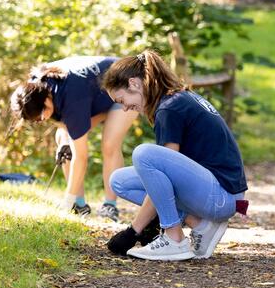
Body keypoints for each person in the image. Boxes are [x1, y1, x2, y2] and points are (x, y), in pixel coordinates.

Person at [102, 51, 248, 261]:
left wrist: (133, 231)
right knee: (119, 181)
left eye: (122, 100)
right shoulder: (175, 99)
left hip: (222, 196)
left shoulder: (169, 109)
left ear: (134, 83)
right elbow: (161, 180)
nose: (124, 108)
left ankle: (174, 238)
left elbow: (163, 175)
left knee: (144, 154)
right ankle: (201, 225)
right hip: (217, 192)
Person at [10, 56, 138, 220]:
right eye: (36, 120)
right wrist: (65, 141)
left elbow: (81, 157)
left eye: (41, 115)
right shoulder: (32, 91)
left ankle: (109, 205)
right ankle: (79, 204)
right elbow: (63, 125)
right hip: (95, 95)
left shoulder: (72, 96)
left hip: (128, 86)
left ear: (47, 99)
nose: (42, 120)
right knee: (63, 142)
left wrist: (66, 200)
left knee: (109, 144)